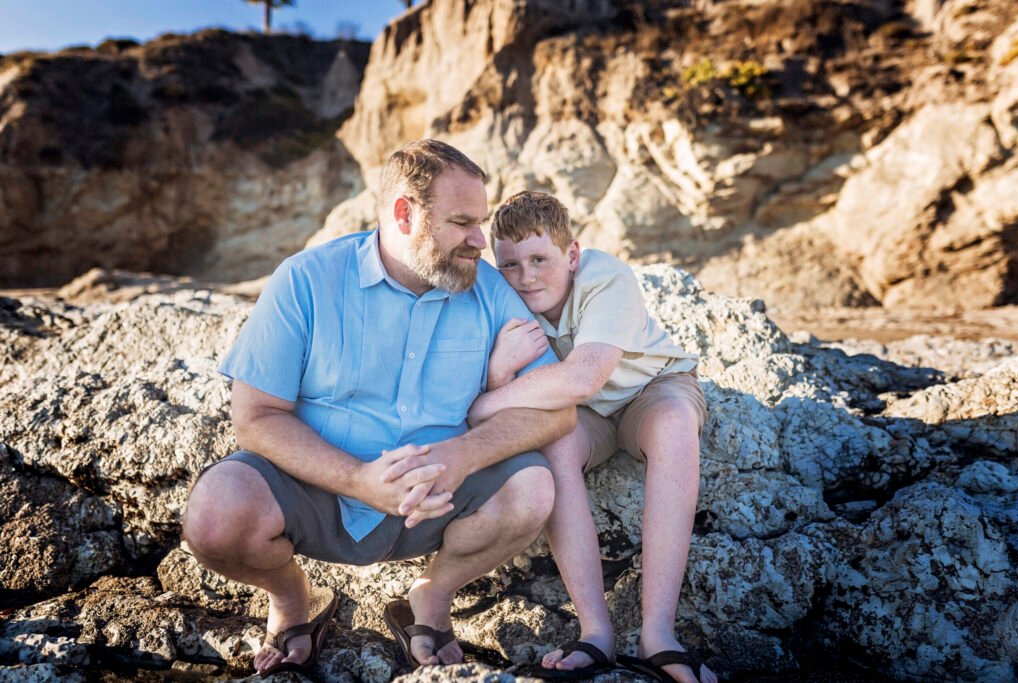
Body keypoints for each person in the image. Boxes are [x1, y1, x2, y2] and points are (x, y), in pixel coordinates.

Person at [182, 142, 575, 678]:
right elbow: (254, 416)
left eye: (479, 222)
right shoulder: (305, 280)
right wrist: (358, 479)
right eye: (461, 222)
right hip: (316, 490)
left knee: (532, 489)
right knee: (214, 516)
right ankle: (295, 599)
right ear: (403, 213)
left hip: (441, 495)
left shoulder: (488, 289)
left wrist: (464, 453)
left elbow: (557, 413)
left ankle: (431, 602)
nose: (480, 241)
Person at [471, 191, 717, 683]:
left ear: (573, 255)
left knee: (673, 426)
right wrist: (497, 372)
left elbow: (584, 376)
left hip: (649, 390)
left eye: (540, 258)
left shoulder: (605, 277)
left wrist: (487, 401)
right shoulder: (502, 299)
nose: (527, 276)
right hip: (585, 415)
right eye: (511, 265)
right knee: (555, 444)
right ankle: (595, 634)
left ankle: (658, 635)